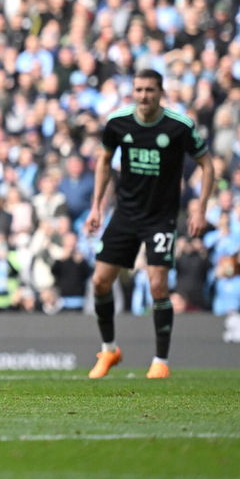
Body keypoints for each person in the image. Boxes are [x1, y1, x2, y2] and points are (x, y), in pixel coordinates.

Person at [85, 69, 214, 380]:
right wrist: (96, 206)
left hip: (161, 216)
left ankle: (160, 361)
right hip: (125, 213)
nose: (143, 96)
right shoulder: (118, 122)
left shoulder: (179, 126)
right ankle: (109, 350)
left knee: (157, 284)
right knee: (101, 281)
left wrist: (200, 209)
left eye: (150, 90)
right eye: (139, 90)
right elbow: (104, 160)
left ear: (161, 92)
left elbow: (207, 164)